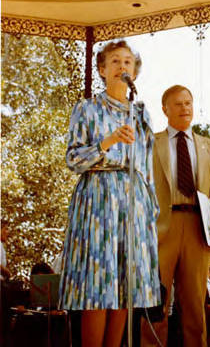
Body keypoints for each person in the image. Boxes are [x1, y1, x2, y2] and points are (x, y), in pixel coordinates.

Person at [58, 40, 161, 347]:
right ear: (102, 70)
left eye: (128, 62)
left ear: (135, 72)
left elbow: (147, 166)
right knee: (97, 285)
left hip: (134, 202)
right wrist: (107, 142)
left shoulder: (141, 113)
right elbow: (72, 159)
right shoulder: (87, 108)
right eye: (114, 61)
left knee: (125, 287)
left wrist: (150, 210)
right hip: (98, 199)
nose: (122, 67)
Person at [142, 84, 210, 347]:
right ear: (165, 109)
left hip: (198, 229)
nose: (185, 108)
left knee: (195, 304)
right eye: (178, 104)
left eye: (188, 103)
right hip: (159, 230)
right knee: (154, 303)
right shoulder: (150, 143)